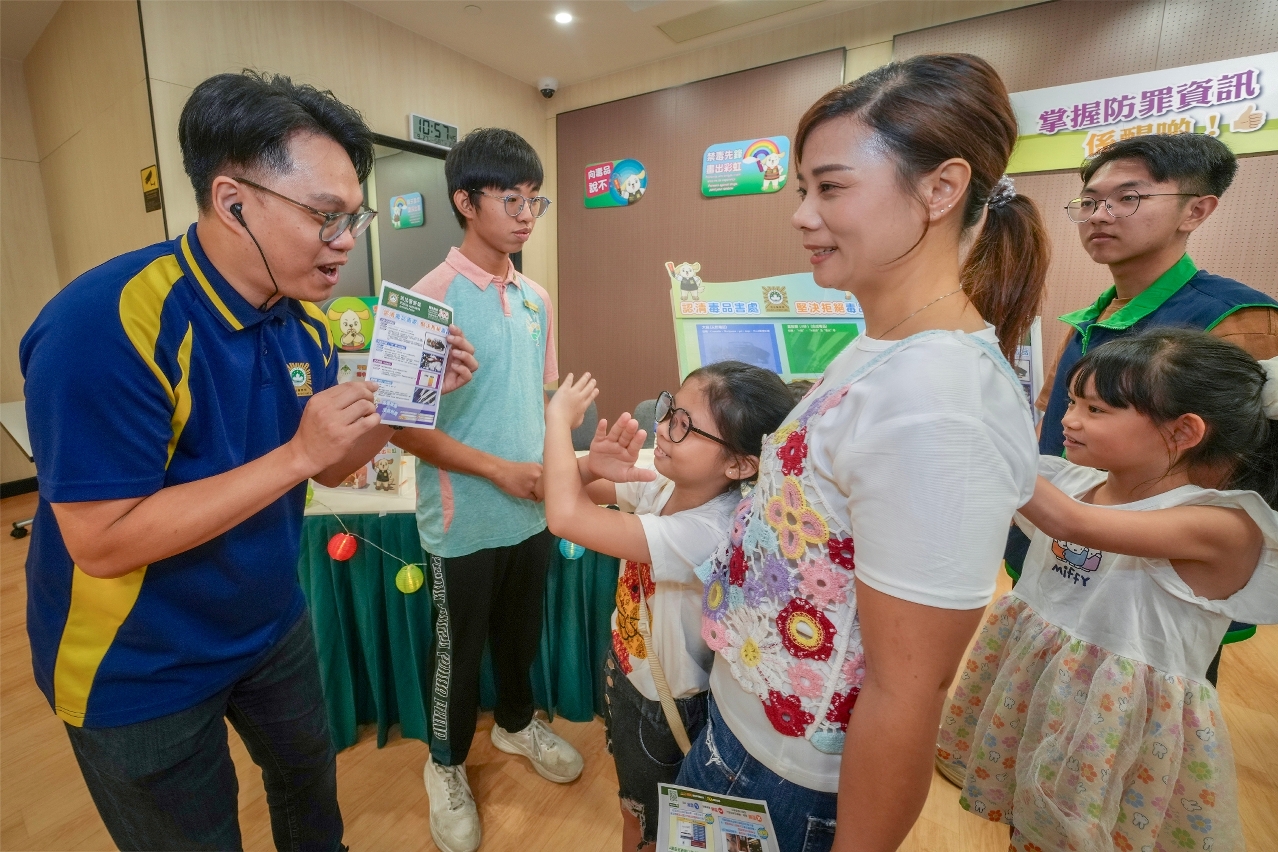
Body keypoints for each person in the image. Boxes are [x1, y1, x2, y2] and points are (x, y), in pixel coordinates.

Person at [18, 71, 477, 852]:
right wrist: (296, 453)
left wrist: (405, 403)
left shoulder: (307, 326)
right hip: (139, 665)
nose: (347, 240)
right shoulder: (105, 324)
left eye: (354, 216)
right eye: (326, 216)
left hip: (271, 624)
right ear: (233, 203)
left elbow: (326, 470)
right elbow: (101, 541)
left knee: (312, 804)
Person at [675, 54, 1049, 852]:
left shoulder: (938, 399)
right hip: (745, 737)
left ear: (942, 190)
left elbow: (907, 692)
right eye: (801, 190)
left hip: (787, 782)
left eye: (830, 188)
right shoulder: (883, 348)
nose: (802, 216)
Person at [939, 329, 1278, 852]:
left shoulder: (1219, 525)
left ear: (1184, 430)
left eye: (1095, 409)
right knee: (1030, 820)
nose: (1069, 419)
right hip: (1042, 689)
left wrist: (979, 430)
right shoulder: (1073, 483)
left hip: (1115, 724)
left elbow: (1072, 524)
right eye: (1073, 402)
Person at [1006, 133, 1278, 681]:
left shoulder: (1237, 318)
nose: (1099, 215)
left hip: (1156, 580)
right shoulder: (1091, 318)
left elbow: (1246, 462)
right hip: (1058, 546)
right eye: (1089, 201)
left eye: (1127, 198)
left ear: (1196, 210)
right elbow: (1050, 425)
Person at [389, 127, 574, 852]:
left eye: (536, 201)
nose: (527, 215)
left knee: (520, 637)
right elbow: (402, 431)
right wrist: (499, 471)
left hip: (531, 512)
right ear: (466, 202)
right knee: (457, 654)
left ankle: (517, 725)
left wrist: (558, 471)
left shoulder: (536, 297)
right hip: (461, 519)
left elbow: (538, 400)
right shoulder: (424, 301)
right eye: (511, 200)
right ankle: (444, 764)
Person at [542, 364, 793, 852]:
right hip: (629, 671)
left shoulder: (711, 530)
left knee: (650, 824)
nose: (662, 427)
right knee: (636, 805)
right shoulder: (663, 483)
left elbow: (564, 515)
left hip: (666, 704)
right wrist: (591, 466)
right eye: (669, 410)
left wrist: (557, 420)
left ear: (739, 465)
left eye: (684, 425)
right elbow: (553, 488)